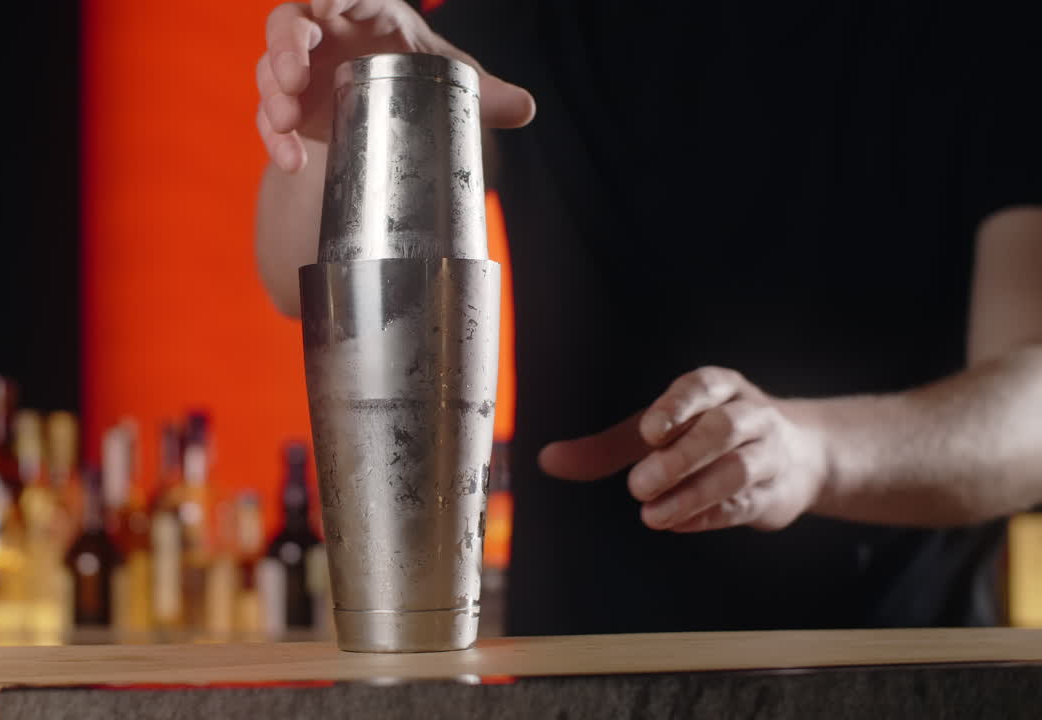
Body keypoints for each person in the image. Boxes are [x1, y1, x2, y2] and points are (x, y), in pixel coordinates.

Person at [253, 0, 1042, 635]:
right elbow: (293, 275)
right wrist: (361, 102)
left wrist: (809, 453)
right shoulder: (531, 17)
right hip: (576, 673)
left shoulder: (992, 31)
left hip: (899, 672)